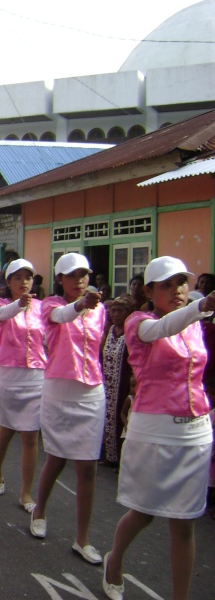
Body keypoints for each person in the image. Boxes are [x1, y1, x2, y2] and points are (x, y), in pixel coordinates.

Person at [102, 257, 215, 600]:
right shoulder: (139, 323)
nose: (177, 290)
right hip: (154, 432)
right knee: (144, 513)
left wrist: (200, 310)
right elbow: (164, 329)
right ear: (149, 291)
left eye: (181, 282)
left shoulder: (194, 321)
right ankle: (115, 560)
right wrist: (203, 306)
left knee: (185, 522)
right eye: (166, 284)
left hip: (196, 432)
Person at [30, 253, 106, 565]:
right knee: (56, 458)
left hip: (91, 393)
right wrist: (79, 305)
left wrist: (88, 305)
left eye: (84, 274)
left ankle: (83, 538)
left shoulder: (99, 310)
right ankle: (39, 509)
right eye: (72, 275)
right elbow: (62, 317)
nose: (80, 280)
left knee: (88, 467)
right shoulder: (50, 305)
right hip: (59, 391)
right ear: (60, 279)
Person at [0, 258, 46, 513]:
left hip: (35, 376)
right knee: (5, 428)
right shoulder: (0, 305)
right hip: (9, 376)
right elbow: (1, 315)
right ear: (9, 282)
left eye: (28, 277)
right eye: (18, 278)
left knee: (31, 435)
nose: (24, 282)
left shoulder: (43, 308)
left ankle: (26, 492)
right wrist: (18, 305)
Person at [101, 296, 136, 467]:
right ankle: (109, 455)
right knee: (107, 417)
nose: (115, 314)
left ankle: (120, 459)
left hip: (123, 384)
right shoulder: (110, 331)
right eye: (113, 310)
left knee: (120, 418)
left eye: (119, 311)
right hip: (108, 383)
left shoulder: (131, 333)